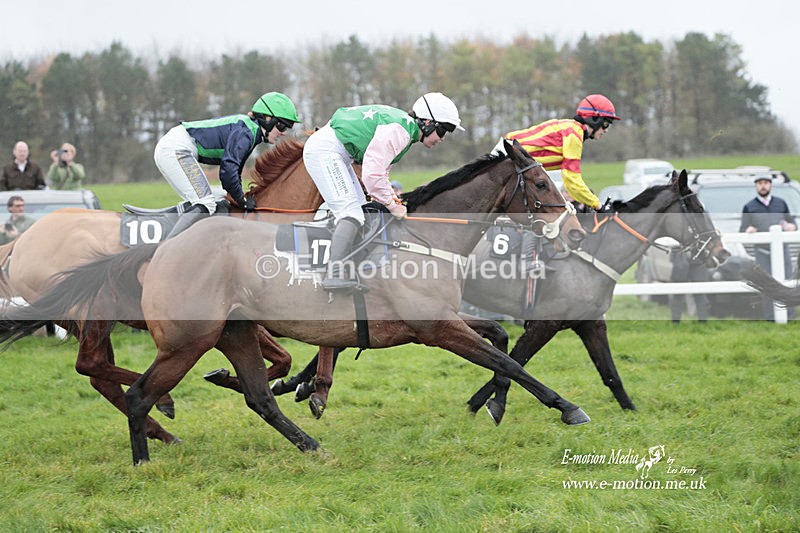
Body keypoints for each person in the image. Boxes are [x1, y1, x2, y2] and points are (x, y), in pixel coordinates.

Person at [303, 92, 463, 292]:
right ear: (428, 122)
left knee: (362, 211)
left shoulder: (406, 129)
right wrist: (392, 205)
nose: (442, 138)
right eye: (443, 130)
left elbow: (380, 172)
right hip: (326, 151)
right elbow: (372, 175)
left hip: (337, 153)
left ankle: (350, 268)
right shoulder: (400, 131)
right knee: (351, 213)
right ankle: (334, 274)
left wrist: (391, 200)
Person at [154, 91, 301, 238]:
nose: (284, 133)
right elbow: (228, 170)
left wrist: (238, 196)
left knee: (212, 200)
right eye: (282, 126)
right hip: (176, 149)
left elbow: (234, 171)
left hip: (173, 147)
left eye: (287, 128)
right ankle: (166, 247)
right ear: (267, 119)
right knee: (206, 202)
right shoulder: (246, 132)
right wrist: (241, 201)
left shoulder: (249, 130)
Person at [495, 94, 620, 211]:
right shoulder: (574, 134)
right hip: (509, 158)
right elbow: (572, 181)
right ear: (594, 119)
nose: (606, 130)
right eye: (605, 123)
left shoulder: (570, 127)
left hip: (509, 154)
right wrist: (598, 206)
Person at [740, 174, 798, 320]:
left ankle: (790, 316)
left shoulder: (781, 203)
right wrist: (748, 231)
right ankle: (770, 317)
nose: (763, 186)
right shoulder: (749, 206)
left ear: (770, 185)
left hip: (782, 251)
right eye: (760, 183)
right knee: (766, 284)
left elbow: (792, 223)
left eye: (766, 182)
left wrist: (791, 226)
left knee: (787, 283)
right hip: (762, 252)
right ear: (756, 186)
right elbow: (743, 229)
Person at [668, 251, 710, 324]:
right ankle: (675, 323)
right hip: (681, 259)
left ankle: (703, 323)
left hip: (698, 261)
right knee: (678, 294)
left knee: (699, 295)